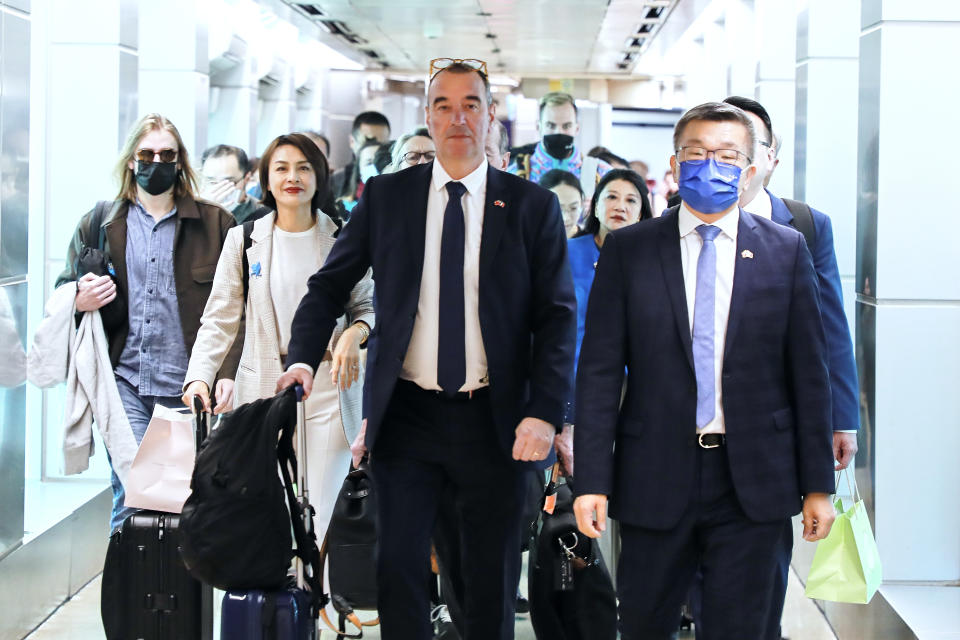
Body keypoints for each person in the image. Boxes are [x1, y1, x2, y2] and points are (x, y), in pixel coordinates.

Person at [276, 57, 576, 640]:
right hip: (408, 416)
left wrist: (545, 412)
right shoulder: (389, 198)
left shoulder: (530, 207)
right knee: (399, 569)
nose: (457, 117)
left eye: (471, 104)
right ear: (428, 116)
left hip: (496, 421)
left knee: (487, 578)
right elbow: (329, 285)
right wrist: (299, 358)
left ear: (491, 118)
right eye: (443, 105)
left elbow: (557, 318)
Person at [572, 102, 836, 639]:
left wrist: (817, 486)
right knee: (644, 624)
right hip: (653, 473)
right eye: (696, 154)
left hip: (754, 481)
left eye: (726, 156)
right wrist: (592, 480)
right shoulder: (631, 250)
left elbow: (810, 375)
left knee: (745, 628)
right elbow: (599, 372)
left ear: (750, 167)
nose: (710, 165)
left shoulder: (786, 251)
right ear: (674, 165)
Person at [182, 132, 373, 545]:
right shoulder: (245, 239)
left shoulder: (343, 236)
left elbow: (368, 307)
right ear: (265, 180)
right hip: (263, 390)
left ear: (319, 177)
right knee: (268, 518)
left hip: (329, 389)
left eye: (304, 168)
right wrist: (200, 376)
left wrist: (355, 334)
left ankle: (311, 605)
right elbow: (219, 319)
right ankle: (275, 608)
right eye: (282, 168)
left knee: (320, 520)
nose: (293, 177)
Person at [724, 94, 860, 640]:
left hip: (774, 422)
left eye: (746, 147)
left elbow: (831, 326)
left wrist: (841, 417)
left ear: (769, 155)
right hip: (695, 423)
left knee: (760, 571)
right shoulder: (674, 225)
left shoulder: (804, 224)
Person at [508, 91, 610, 201]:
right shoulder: (514, 175)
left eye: (567, 126)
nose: (559, 132)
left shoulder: (601, 173)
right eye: (550, 125)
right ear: (539, 127)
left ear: (577, 128)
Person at [199, 144, 270, 223]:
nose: (219, 189)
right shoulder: (194, 211)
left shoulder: (265, 216)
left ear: (246, 178)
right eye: (211, 182)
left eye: (227, 183)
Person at [330, 111, 391, 199]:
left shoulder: (395, 178)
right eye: (369, 142)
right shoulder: (336, 181)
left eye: (382, 145)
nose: (375, 149)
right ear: (352, 141)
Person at [539, 169, 584, 238]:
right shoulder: (526, 242)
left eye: (573, 208)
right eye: (556, 209)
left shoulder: (591, 242)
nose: (566, 218)